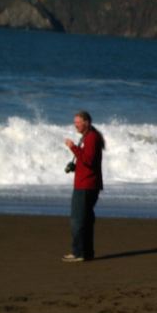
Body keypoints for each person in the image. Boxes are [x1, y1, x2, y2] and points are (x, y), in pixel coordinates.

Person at [62, 111, 104, 262]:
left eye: (78, 122)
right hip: (87, 183)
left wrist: (73, 147)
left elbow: (89, 160)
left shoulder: (91, 137)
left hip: (86, 185)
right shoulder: (89, 137)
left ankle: (79, 253)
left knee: (78, 220)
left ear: (86, 122)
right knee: (85, 220)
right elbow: (87, 160)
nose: (76, 125)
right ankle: (86, 253)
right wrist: (75, 166)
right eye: (75, 122)